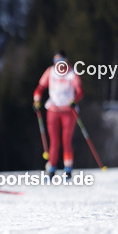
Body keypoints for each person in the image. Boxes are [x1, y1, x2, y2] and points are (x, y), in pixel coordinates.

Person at [33, 50, 83, 180]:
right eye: (56, 61)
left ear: (66, 61)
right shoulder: (50, 71)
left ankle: (68, 169)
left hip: (68, 111)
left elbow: (80, 91)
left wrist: (75, 100)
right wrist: (37, 99)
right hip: (53, 110)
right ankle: (52, 168)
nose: (58, 64)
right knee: (54, 142)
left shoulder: (72, 73)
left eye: (60, 61)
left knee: (66, 140)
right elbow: (40, 88)